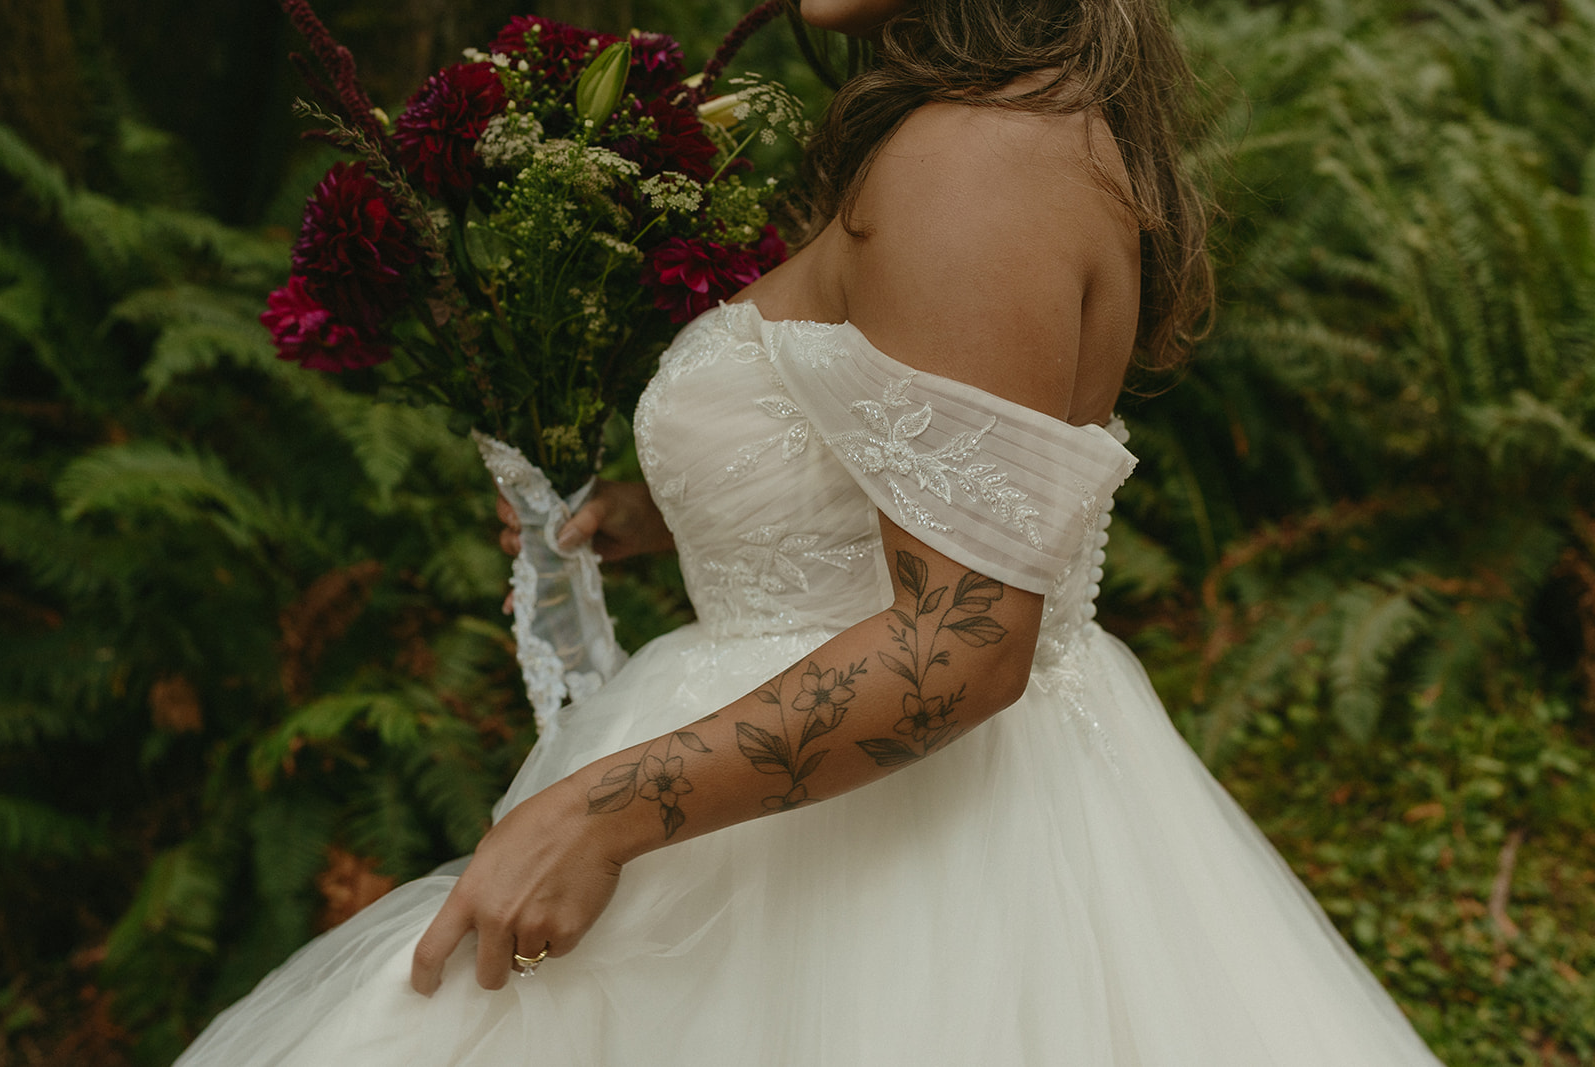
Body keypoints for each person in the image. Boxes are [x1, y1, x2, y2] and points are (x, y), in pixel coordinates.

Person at [178, 0, 1447, 1062]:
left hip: (905, 863)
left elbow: (960, 643)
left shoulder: (974, 162)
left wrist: (598, 809)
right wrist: (683, 517)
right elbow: (931, 490)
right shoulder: (1008, 137)